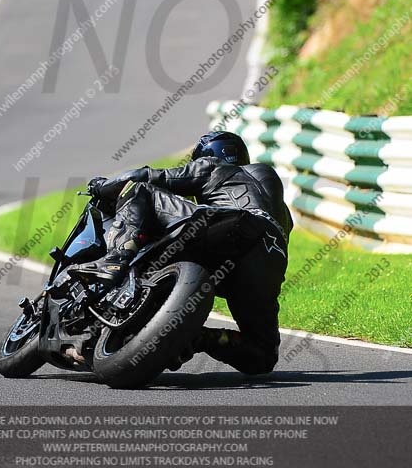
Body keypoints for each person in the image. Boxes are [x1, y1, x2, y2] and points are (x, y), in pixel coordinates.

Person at [71, 131, 293, 375]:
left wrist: (102, 186)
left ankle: (114, 260)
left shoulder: (213, 166)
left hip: (229, 226)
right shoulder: (277, 202)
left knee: (139, 190)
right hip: (270, 262)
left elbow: (148, 176)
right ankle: (197, 338)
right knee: (262, 354)